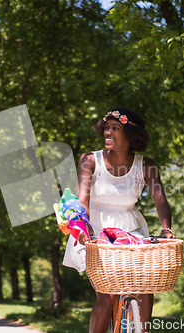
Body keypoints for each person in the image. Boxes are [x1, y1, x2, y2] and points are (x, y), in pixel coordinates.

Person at [63, 108, 174, 333]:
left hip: (131, 230)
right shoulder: (89, 160)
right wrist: (83, 229)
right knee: (107, 297)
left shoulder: (146, 165)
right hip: (94, 230)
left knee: (146, 285)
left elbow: (160, 200)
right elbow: (82, 199)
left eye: (116, 128)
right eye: (106, 127)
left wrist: (166, 228)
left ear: (131, 135)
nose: (108, 132)